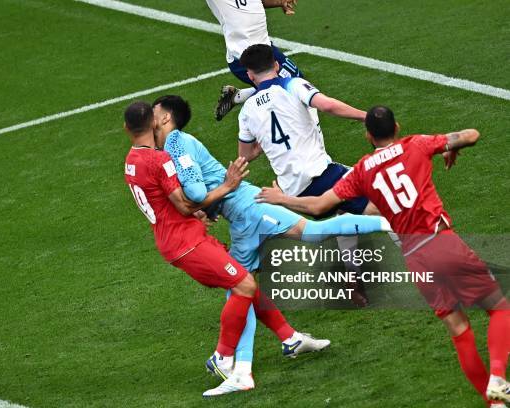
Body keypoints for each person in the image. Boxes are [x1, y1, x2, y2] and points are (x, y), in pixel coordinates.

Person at [256, 105, 510, 406]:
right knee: (499, 307)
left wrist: (282, 198)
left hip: (415, 258)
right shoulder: (416, 144)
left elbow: (319, 206)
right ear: (397, 127)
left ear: (368, 135)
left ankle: (493, 402)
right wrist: (449, 148)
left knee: (458, 328)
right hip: (441, 241)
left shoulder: (362, 170)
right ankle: (497, 376)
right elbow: (472, 134)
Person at [151, 95, 393, 396]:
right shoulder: (173, 144)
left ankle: (390, 223)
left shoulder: (174, 143)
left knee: (310, 234)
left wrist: (201, 202)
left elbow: (198, 190)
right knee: (243, 287)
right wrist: (206, 207)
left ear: (165, 118)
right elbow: (204, 190)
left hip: (249, 208)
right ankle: (280, 344)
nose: (149, 116)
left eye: (154, 111)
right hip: (240, 218)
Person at [123, 101, 320, 397]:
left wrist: (200, 211)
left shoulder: (131, 161)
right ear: (153, 124)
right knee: (243, 284)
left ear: (127, 129)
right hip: (187, 242)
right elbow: (186, 203)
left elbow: (173, 205)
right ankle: (223, 356)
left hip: (175, 239)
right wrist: (227, 186)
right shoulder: (160, 159)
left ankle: (289, 337)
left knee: (243, 281)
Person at [237, 43, 387, 305]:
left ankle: (353, 281)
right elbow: (328, 106)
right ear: (275, 65)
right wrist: (367, 117)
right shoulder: (292, 84)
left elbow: (246, 154)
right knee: (387, 203)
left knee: (344, 214)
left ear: (249, 75)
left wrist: (261, 144)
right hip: (322, 176)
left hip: (293, 192)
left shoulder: (247, 112)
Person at [205, 0, 302, 121]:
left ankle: (236, 97)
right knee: (291, 91)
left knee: (297, 82)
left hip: (266, 48)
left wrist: (279, 2)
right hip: (245, 58)